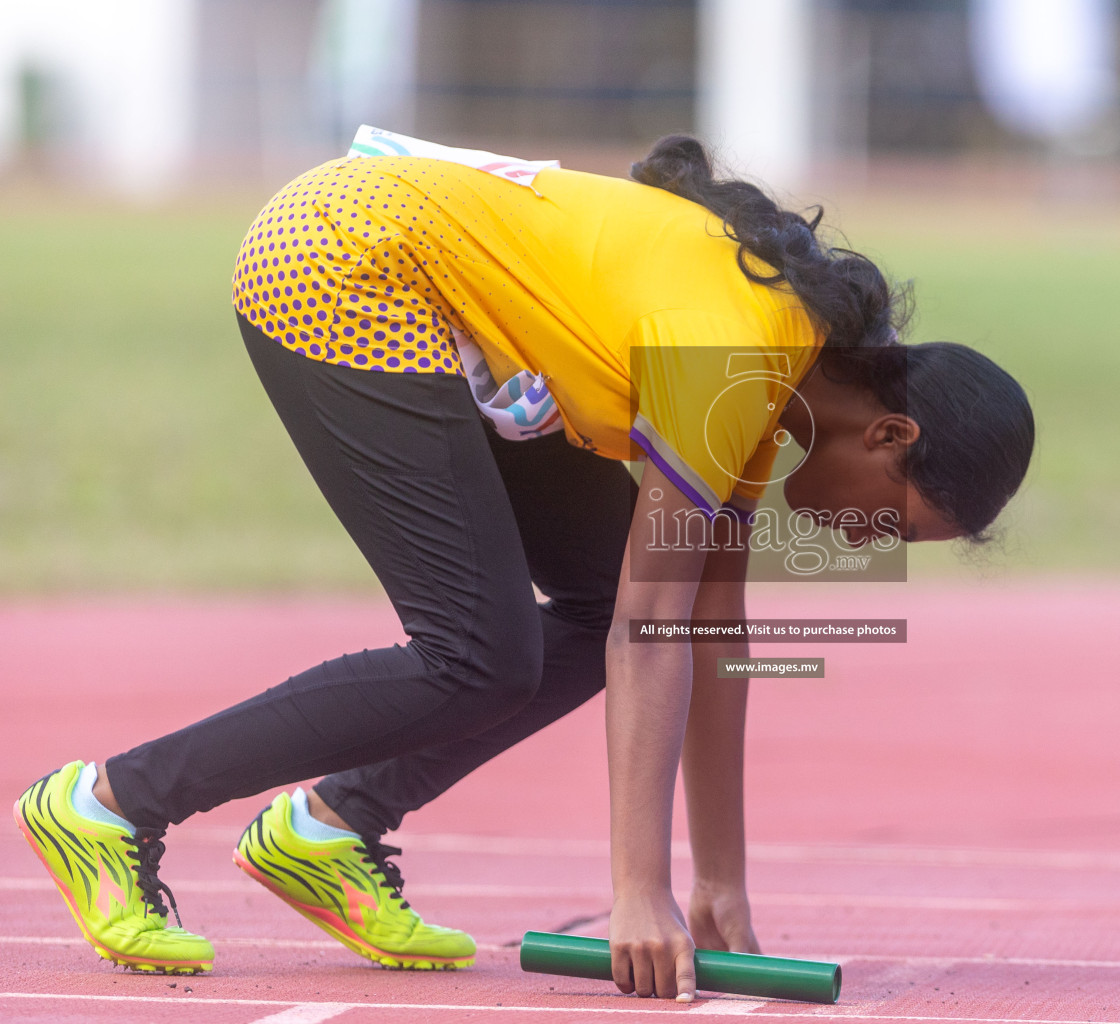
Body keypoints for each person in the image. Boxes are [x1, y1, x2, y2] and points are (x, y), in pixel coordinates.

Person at [13, 132, 1034, 1000]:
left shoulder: (783, 387)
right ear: (890, 434)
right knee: (475, 651)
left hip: (435, 299)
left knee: (585, 609)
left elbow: (709, 635)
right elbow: (652, 631)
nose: (864, 547)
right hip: (341, 262)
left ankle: (330, 828)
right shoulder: (739, 355)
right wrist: (639, 891)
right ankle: (107, 803)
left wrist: (720, 884)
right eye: (893, 527)